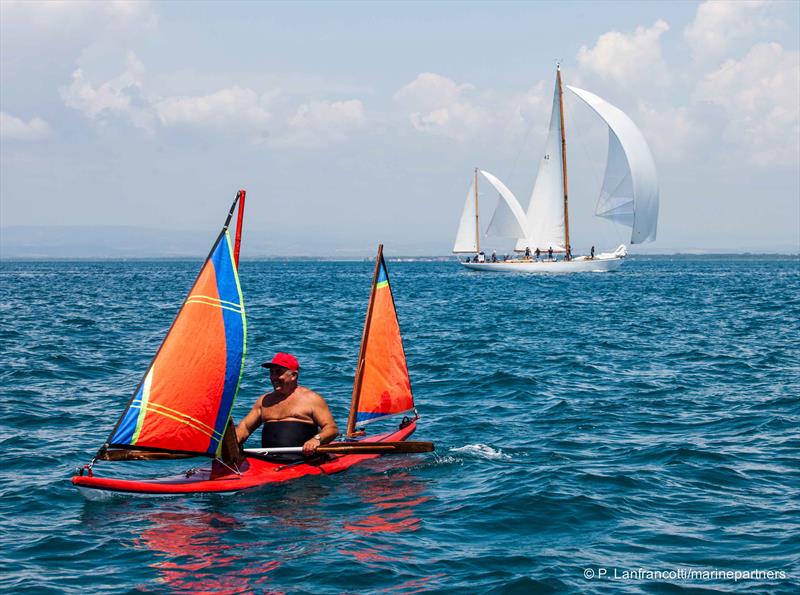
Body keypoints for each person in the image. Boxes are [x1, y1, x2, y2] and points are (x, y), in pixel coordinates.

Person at [236, 352, 338, 456]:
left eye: (278, 372)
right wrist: (234, 441)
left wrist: (316, 440)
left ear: (293, 375)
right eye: (271, 372)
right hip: (267, 460)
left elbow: (331, 428)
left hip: (302, 460)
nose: (273, 377)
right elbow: (245, 427)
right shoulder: (264, 401)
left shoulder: (311, 399)